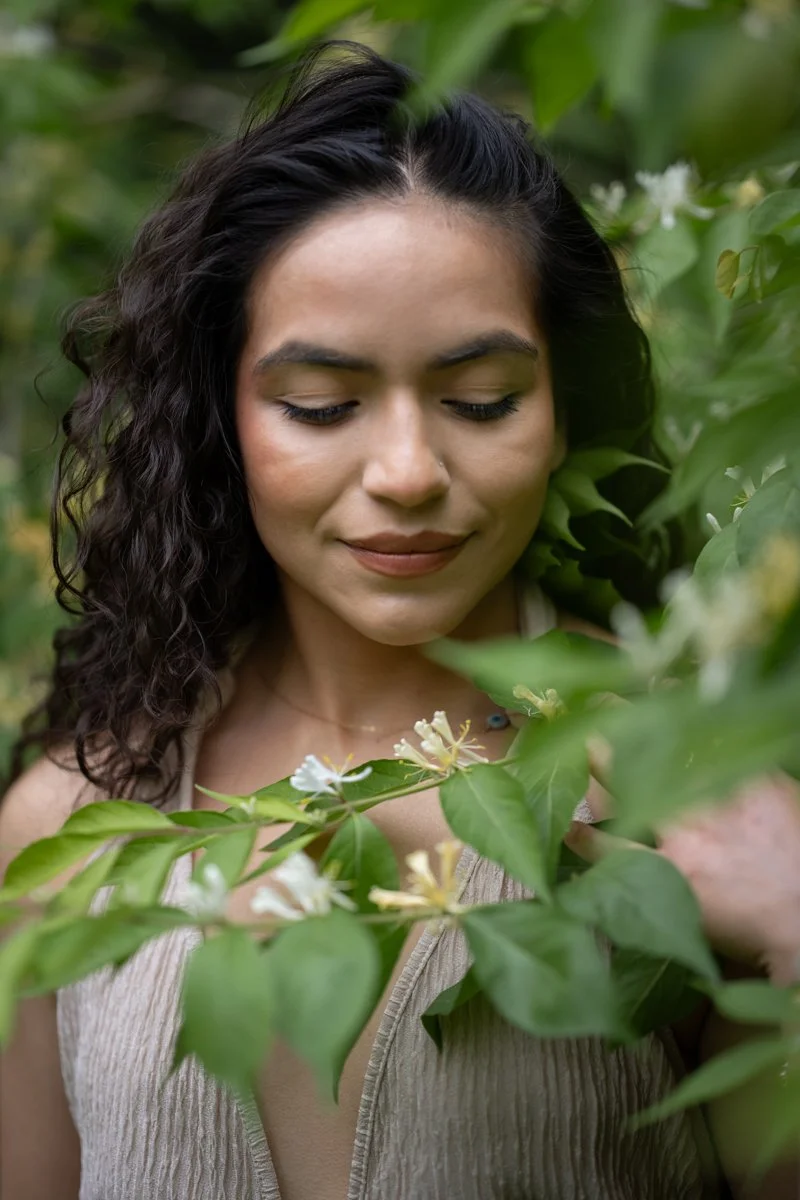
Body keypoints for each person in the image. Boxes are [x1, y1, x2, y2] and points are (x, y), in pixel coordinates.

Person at [1, 39, 798, 1200]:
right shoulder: (74, 826)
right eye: (321, 405)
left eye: (481, 399)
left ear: (563, 411)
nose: (409, 470)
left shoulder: (694, 795)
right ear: (222, 421)